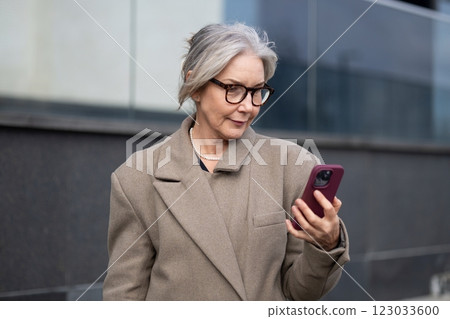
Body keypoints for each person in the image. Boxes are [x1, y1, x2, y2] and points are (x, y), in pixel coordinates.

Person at [103, 23, 349, 301]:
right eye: (233, 89)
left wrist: (326, 243)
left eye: (257, 91)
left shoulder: (293, 166)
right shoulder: (137, 177)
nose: (248, 106)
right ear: (195, 85)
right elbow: (124, 295)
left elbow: (300, 294)